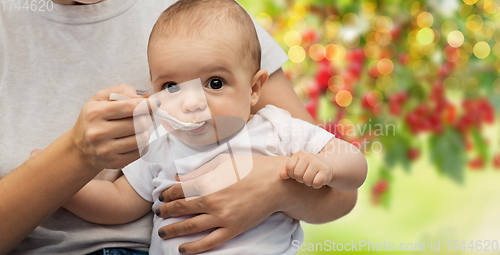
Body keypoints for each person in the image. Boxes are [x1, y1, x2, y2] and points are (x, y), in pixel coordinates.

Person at [0, 0, 360, 254]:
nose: (191, 101)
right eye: (171, 87)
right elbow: (122, 202)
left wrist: (318, 169)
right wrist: (63, 170)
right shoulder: (164, 142)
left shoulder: (275, 127)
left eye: (214, 84)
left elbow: (348, 171)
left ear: (254, 88)